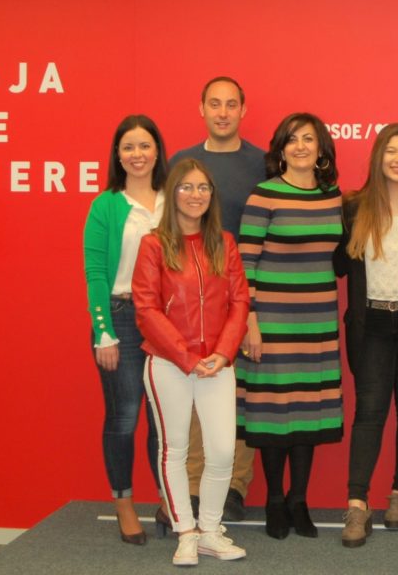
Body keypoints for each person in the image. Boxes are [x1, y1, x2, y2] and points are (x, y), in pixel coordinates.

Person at [134, 158, 250, 566]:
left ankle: (211, 530)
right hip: (168, 364)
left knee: (221, 452)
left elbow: (239, 303)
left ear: (211, 196)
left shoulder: (225, 242)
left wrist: (223, 352)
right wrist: (185, 357)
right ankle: (186, 530)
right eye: (187, 187)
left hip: (217, 363)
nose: (196, 195)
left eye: (203, 188)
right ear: (173, 193)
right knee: (175, 450)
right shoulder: (153, 245)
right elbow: (146, 309)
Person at [237, 112, 344, 541]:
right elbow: (244, 265)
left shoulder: (332, 196)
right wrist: (250, 323)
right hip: (273, 324)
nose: (301, 146)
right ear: (280, 148)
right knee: (273, 416)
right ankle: (274, 501)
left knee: (308, 413)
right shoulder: (264, 196)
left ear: (321, 150)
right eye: (293, 139)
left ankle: (300, 500)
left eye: (310, 139)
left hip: (317, 322)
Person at [170, 76, 266, 522]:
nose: (223, 112)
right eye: (215, 104)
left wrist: (250, 313)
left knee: (240, 397)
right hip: (193, 302)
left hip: (245, 298)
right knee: (193, 394)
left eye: (231, 104)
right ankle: (190, 489)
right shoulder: (182, 164)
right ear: (201, 109)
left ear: (243, 110)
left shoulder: (264, 164)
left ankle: (233, 487)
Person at [333, 123, 398, 548]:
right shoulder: (354, 207)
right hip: (370, 324)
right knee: (370, 412)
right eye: (391, 150)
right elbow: (338, 265)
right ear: (378, 156)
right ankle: (357, 505)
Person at [83, 114, 168, 544]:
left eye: (144, 146)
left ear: (158, 151)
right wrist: (104, 332)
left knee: (163, 418)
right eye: (128, 147)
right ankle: (124, 504)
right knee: (124, 416)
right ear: (118, 155)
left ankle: (168, 501)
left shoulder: (174, 199)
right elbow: (95, 272)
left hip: (167, 321)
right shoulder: (106, 205)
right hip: (121, 317)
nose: (137, 155)